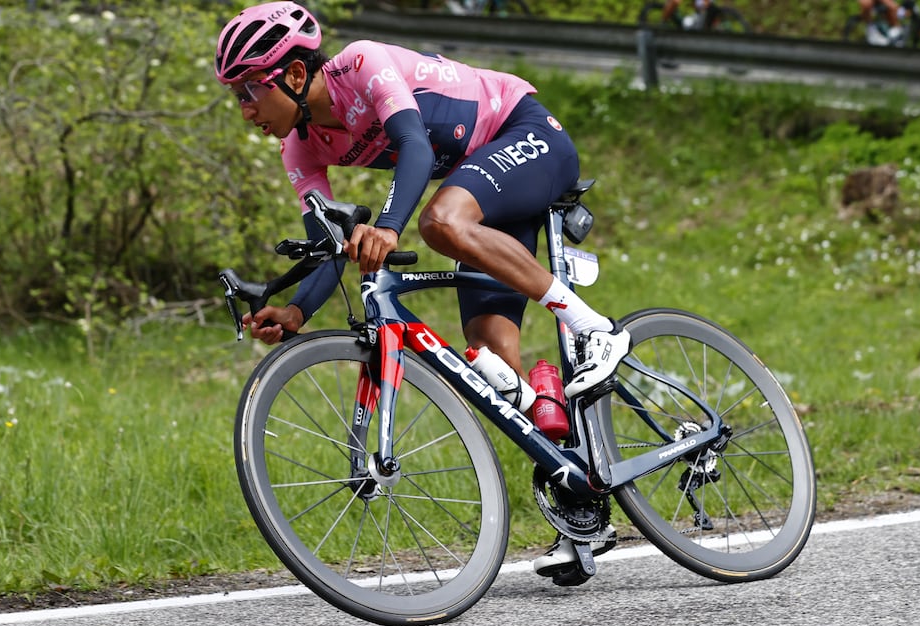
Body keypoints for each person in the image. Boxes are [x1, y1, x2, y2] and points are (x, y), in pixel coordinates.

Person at [215, 1, 629, 582]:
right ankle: (583, 501)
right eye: (237, 96)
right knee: (495, 374)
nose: (245, 110)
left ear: (296, 73)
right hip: (480, 186)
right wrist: (296, 311)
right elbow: (330, 244)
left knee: (439, 223)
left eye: (249, 91)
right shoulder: (300, 149)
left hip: (524, 133)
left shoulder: (362, 65)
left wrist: (388, 228)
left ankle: (594, 329)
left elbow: (413, 145)